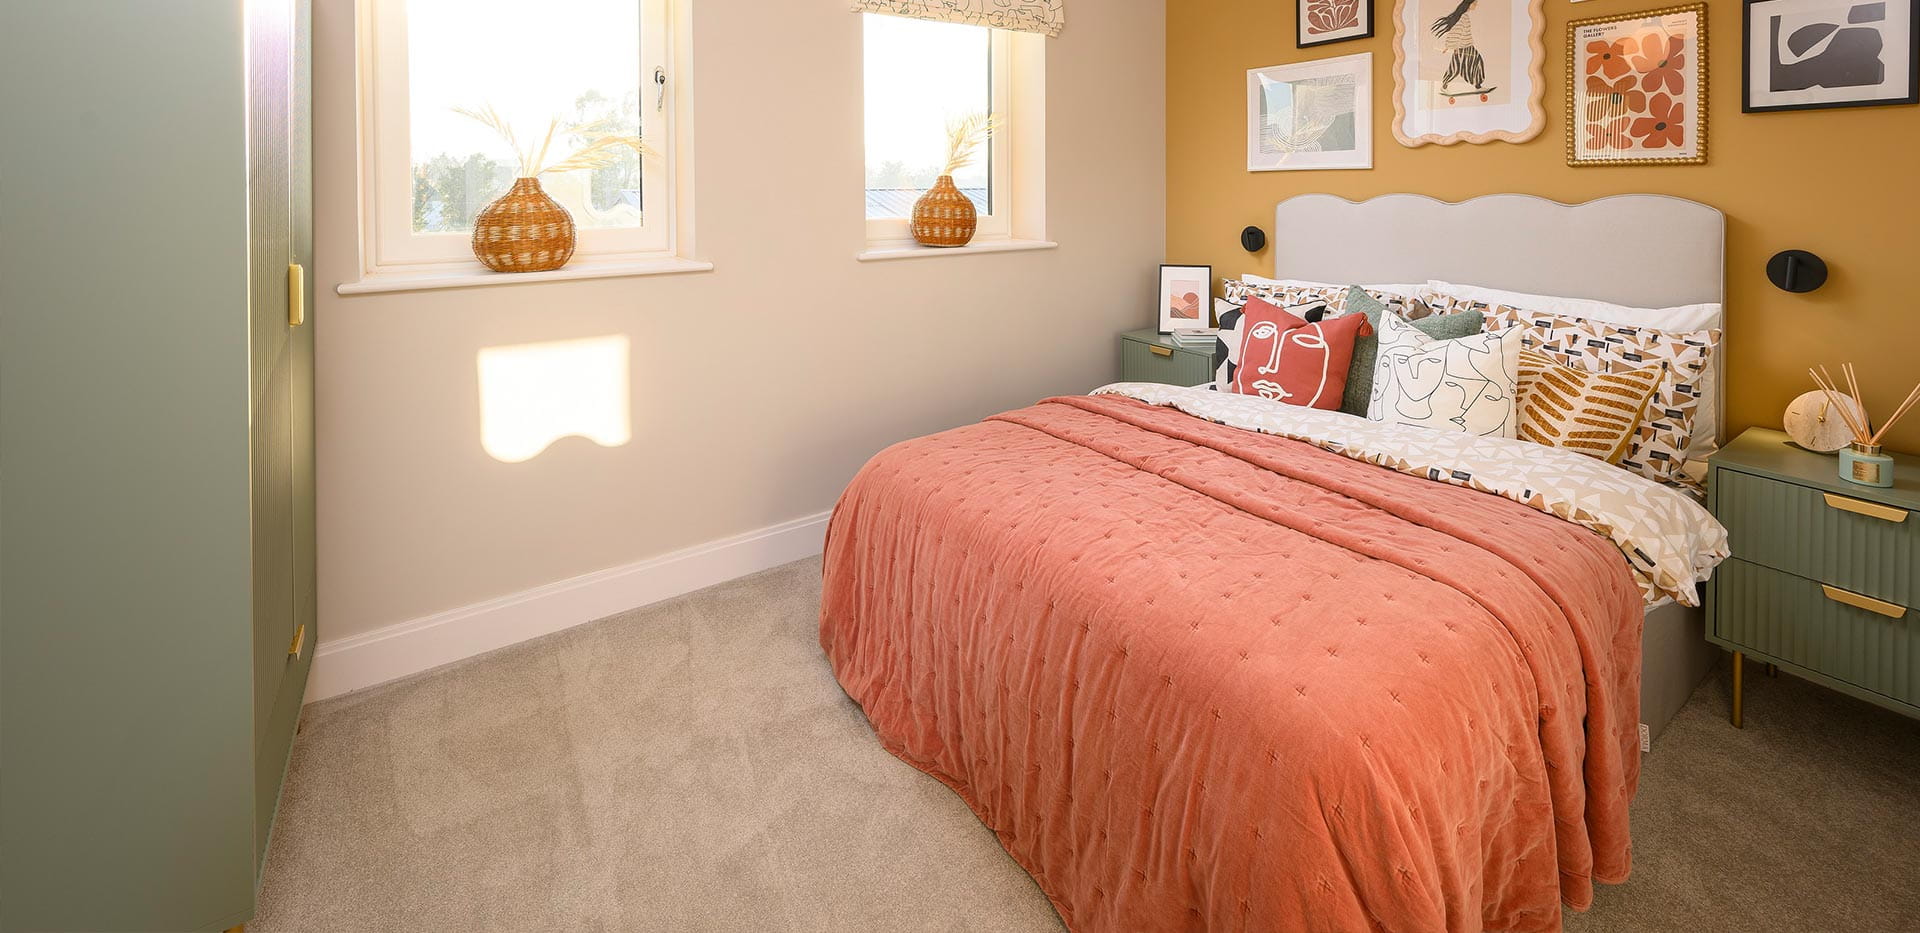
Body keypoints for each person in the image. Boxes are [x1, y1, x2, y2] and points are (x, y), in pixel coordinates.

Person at [1431, 0, 1486, 94]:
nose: (1476, 6)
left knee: (1477, 61)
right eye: (1474, 4)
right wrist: (1450, 46)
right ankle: (1444, 85)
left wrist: (1449, 46)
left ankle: (1477, 85)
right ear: (1469, 4)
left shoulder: (1464, 16)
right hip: (1462, 48)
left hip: (1469, 46)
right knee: (1455, 68)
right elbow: (1455, 32)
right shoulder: (1463, 17)